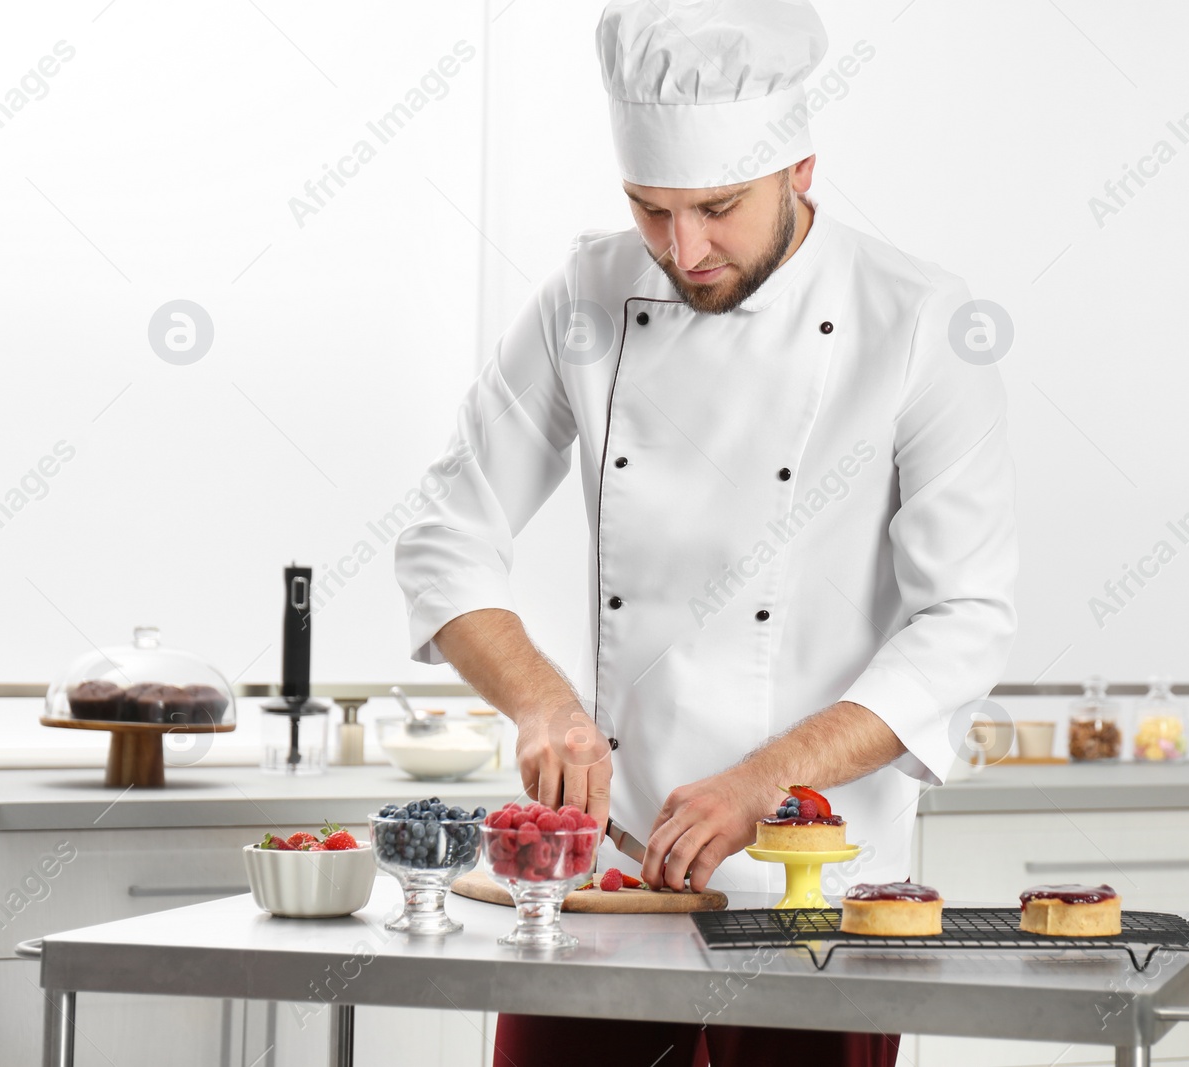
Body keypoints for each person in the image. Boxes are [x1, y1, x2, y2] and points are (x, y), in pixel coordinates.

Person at [393, 1, 1017, 1062]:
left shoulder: (919, 322)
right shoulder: (586, 295)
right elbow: (446, 532)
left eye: (717, 207)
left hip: (812, 892)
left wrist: (759, 779)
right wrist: (544, 706)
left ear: (801, 169)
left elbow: (963, 621)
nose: (683, 250)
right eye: (649, 209)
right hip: (603, 882)